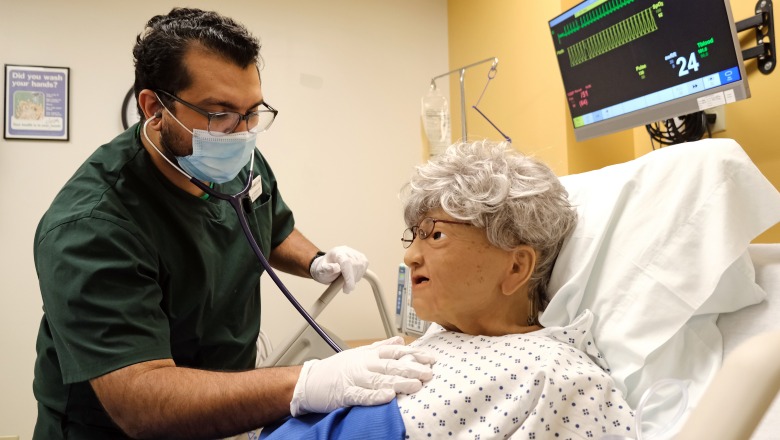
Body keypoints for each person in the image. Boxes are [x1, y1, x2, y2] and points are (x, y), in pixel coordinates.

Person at [32, 8, 433, 440]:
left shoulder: (232, 158)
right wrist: (307, 382)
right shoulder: (91, 227)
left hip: (224, 407)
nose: (242, 132)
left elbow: (270, 225)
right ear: (154, 107)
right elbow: (140, 399)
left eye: (253, 112)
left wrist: (316, 261)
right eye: (218, 112)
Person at [260, 140, 636, 439]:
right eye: (413, 236)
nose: (409, 256)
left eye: (435, 235)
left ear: (516, 266)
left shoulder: (559, 376)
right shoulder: (438, 337)